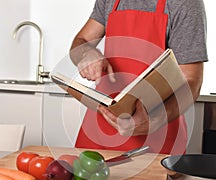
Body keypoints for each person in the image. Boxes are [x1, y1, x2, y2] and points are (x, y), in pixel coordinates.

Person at [69, 0, 208, 154]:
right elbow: (81, 41)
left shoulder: (184, 3)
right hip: (99, 133)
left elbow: (191, 80)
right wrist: (86, 53)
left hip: (156, 136)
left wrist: (155, 120)